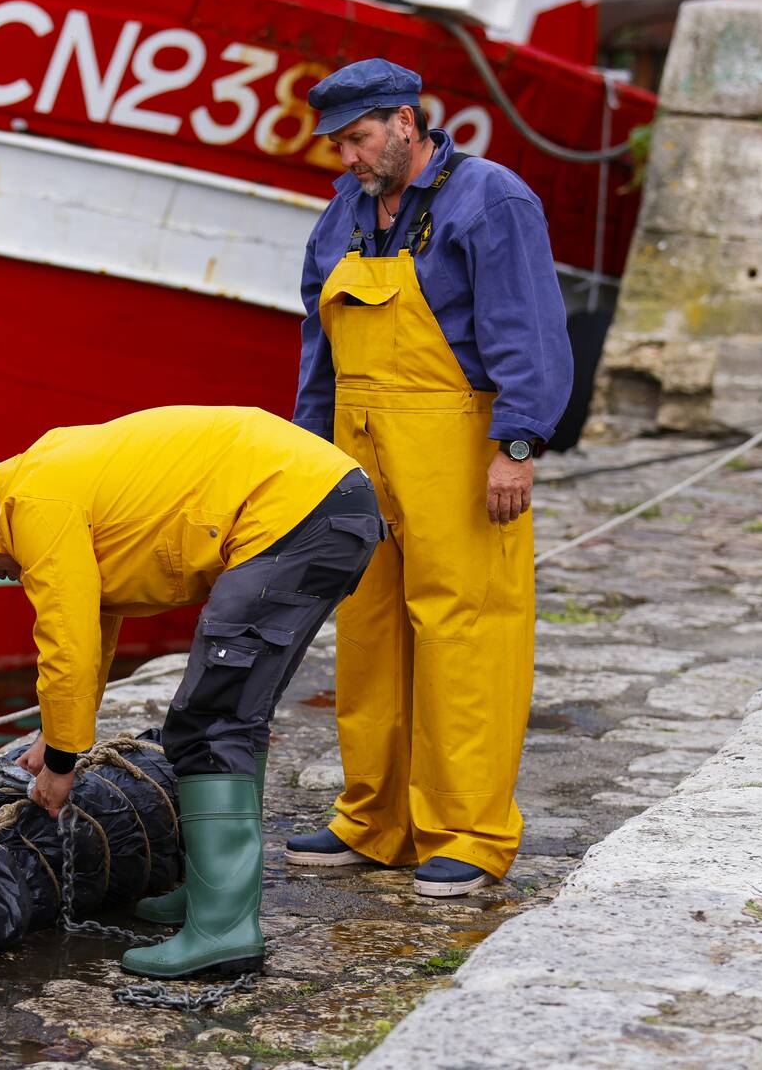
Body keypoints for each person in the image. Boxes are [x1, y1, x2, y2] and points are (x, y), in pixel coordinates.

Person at [0, 406, 382, 979]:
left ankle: (224, 929)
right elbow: (95, 624)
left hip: (293, 515)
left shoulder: (33, 505)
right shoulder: (45, 480)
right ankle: (212, 892)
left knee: (211, 721)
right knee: (231, 714)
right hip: (324, 507)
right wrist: (56, 736)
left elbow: (67, 638)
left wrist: (60, 766)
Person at [282, 59, 572, 898]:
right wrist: (310, 455)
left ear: (406, 121)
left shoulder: (493, 199)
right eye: (338, 144)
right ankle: (375, 820)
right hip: (357, 445)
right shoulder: (344, 209)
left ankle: (470, 833)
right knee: (368, 628)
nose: (347, 157)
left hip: (457, 440)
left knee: (464, 631)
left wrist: (516, 445)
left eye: (359, 138)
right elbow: (320, 342)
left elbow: (530, 326)